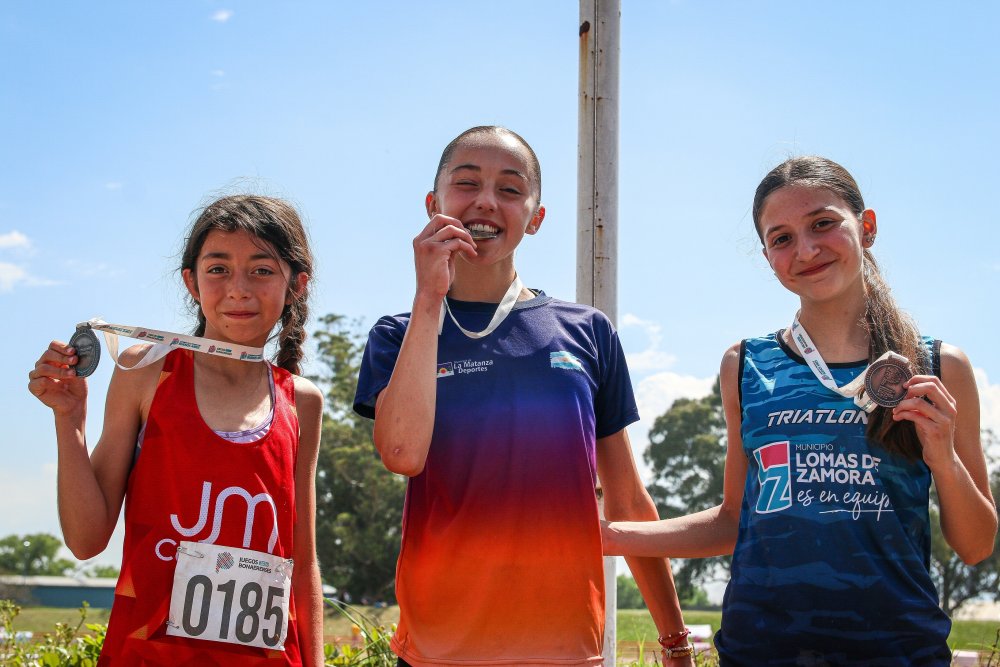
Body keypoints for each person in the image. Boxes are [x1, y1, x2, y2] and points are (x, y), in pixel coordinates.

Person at [603, 156, 997, 665]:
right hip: (760, 652)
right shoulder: (745, 365)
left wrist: (943, 457)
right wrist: (603, 537)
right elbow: (732, 521)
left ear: (867, 227)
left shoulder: (938, 365)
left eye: (823, 224)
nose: (806, 249)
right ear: (768, 256)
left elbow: (976, 547)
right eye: (782, 238)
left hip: (899, 653)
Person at [353, 126, 693, 666]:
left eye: (510, 189)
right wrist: (428, 296)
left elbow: (627, 500)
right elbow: (402, 454)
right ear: (433, 203)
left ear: (535, 217)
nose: (486, 201)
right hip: (440, 650)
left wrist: (675, 639)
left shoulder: (587, 332)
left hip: (563, 648)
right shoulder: (399, 334)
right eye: (466, 184)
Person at [27, 195, 324, 666]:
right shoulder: (144, 371)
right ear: (191, 281)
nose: (238, 289)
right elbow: (87, 540)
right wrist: (70, 422)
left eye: (262, 270)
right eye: (218, 269)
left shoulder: (301, 401)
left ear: (297, 284)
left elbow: (302, 561)